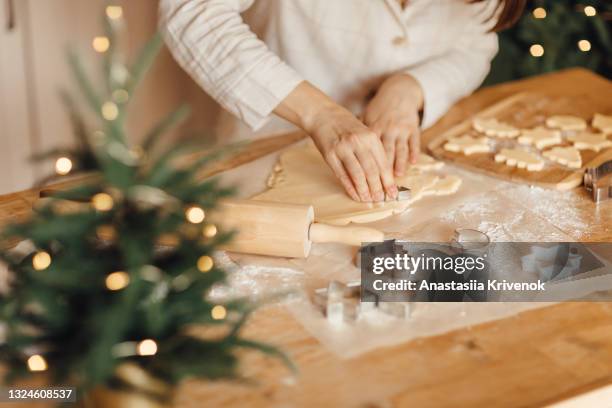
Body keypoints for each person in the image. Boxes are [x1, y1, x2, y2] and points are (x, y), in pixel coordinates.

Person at [159, 0, 525, 202]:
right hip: (264, 148)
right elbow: (192, 11)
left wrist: (410, 88)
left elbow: (475, 46)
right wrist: (321, 114)